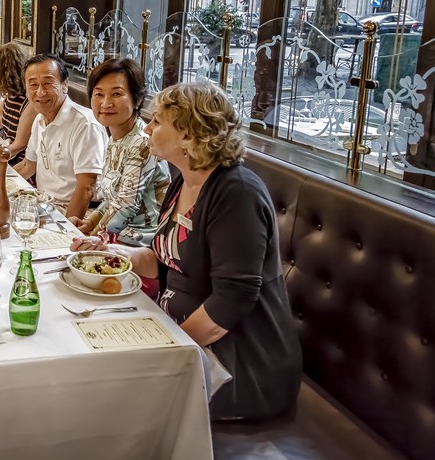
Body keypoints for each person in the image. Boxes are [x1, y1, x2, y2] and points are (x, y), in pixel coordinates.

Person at [72, 82, 302, 422]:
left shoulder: (236, 193)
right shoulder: (185, 179)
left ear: (189, 134)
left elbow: (231, 300)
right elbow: (161, 260)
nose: (147, 127)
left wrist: (166, 349)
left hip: (237, 366)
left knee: (100, 396)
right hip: (181, 335)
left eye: (156, 121)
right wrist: (108, 253)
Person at [74, 58, 171, 243]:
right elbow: (114, 198)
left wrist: (93, 238)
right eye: (99, 94)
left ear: (138, 99)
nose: (106, 103)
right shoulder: (114, 138)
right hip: (117, 234)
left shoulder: (142, 143)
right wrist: (89, 223)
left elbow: (126, 204)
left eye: (117, 94)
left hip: (141, 241)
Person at [14, 54, 107, 219]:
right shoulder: (40, 119)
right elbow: (28, 166)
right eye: (33, 84)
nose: (40, 92)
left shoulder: (84, 124)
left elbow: (87, 187)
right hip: (44, 205)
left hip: (76, 212)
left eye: (48, 83)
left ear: (65, 85)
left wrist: (69, 230)